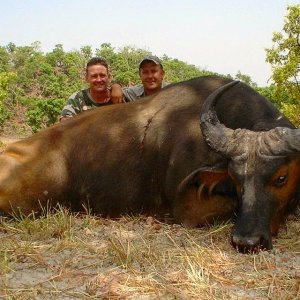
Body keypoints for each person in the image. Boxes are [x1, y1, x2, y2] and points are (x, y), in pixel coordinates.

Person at [60, 57, 122, 121]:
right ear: (86, 78)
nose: (99, 80)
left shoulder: (119, 95)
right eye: (94, 76)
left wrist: (116, 86)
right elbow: (64, 125)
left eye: (102, 75)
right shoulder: (77, 99)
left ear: (109, 77)